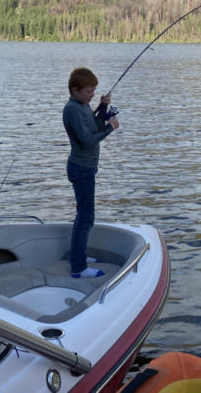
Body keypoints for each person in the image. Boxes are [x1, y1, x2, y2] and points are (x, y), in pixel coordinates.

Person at [62, 67, 119, 279]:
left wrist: (102, 108)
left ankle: (80, 255)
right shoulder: (72, 110)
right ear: (75, 90)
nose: (92, 95)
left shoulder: (83, 106)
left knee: (86, 216)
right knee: (85, 217)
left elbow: (93, 126)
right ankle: (78, 267)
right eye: (88, 92)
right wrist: (110, 128)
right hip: (81, 168)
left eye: (94, 91)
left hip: (86, 168)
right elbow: (87, 141)